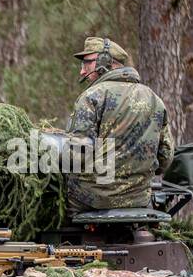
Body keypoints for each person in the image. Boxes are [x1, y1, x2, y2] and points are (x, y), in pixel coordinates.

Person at [65, 36, 174, 215]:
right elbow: (165, 157)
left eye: (87, 64)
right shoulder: (154, 99)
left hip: (92, 200)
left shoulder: (92, 96)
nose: (82, 72)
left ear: (105, 61)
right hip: (139, 200)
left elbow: (77, 155)